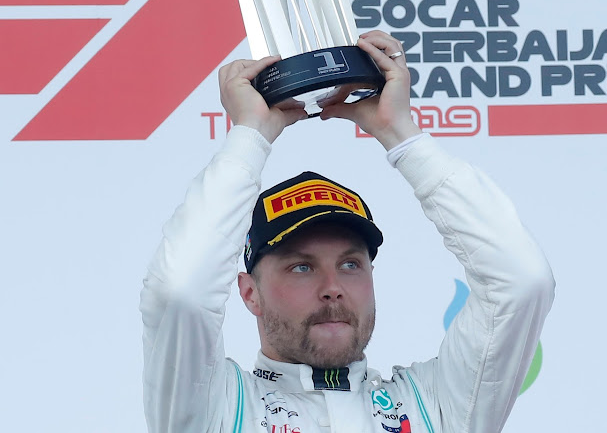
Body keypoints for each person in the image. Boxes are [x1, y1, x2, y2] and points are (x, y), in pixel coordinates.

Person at [140, 30, 555, 433]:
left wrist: (401, 136)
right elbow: (181, 293)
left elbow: (520, 281)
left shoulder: (435, 407)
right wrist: (250, 136)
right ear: (250, 293)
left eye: (351, 264)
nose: (333, 287)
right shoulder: (217, 408)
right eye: (301, 267)